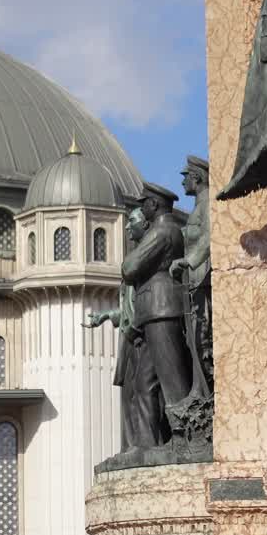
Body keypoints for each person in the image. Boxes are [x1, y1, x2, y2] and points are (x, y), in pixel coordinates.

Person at [87, 208, 167, 450]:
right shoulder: (138, 260)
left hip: (140, 336)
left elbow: (142, 304)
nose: (126, 227)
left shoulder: (145, 263)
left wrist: (134, 327)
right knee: (128, 395)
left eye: (131, 221)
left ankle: (144, 444)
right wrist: (107, 316)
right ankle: (131, 446)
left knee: (141, 392)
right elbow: (130, 306)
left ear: (145, 225)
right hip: (130, 337)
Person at [122, 183, 193, 438]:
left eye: (144, 204)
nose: (142, 208)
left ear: (153, 205)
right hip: (153, 311)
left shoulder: (162, 231)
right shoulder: (164, 229)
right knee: (144, 384)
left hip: (161, 309)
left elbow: (129, 267)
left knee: (171, 380)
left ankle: (186, 435)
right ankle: (149, 444)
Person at [170, 155, 213, 395]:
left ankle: (208, 390)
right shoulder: (198, 206)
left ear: (196, 178)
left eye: (185, 177)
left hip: (204, 278)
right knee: (195, 337)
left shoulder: (207, 204)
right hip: (196, 281)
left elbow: (209, 236)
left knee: (203, 337)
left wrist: (189, 260)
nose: (183, 182)